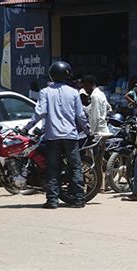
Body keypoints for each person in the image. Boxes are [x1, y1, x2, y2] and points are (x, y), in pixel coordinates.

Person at [22, 61, 91, 209]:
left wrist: (26, 128)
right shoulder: (74, 93)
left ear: (52, 75)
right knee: (75, 167)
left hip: (52, 137)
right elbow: (81, 116)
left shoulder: (45, 92)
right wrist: (88, 132)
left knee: (52, 169)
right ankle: (79, 199)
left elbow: (39, 113)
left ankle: (52, 200)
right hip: (70, 137)